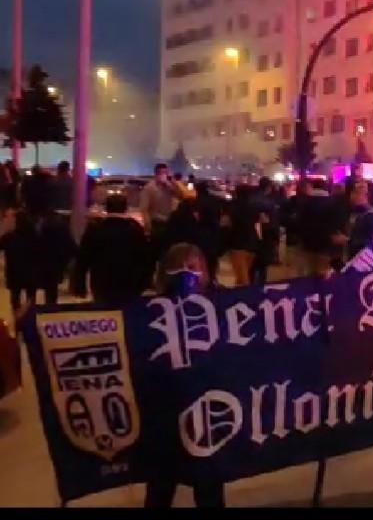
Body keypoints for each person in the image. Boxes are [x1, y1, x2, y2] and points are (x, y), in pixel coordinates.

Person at [143, 242, 226, 508]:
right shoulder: (149, 310)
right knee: (161, 482)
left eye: (192, 268)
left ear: (205, 270)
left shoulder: (224, 302)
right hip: (167, 409)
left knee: (209, 483)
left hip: (207, 409)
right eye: (177, 269)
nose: (186, 275)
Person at [72, 194, 150, 307]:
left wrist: (80, 285)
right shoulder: (134, 229)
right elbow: (144, 259)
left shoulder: (95, 229)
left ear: (106, 208)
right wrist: (144, 283)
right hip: (129, 283)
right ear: (125, 208)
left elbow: (83, 259)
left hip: (101, 282)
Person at [296, 179, 340, 278]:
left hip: (308, 245)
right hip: (326, 246)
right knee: (324, 275)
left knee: (309, 274)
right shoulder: (333, 203)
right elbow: (336, 224)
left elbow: (300, 223)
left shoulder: (305, 203)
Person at [140, 163, 183, 261]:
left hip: (170, 223)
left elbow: (181, 196)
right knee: (156, 254)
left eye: (166, 173)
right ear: (156, 174)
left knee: (168, 255)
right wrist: (148, 226)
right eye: (162, 173)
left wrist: (171, 183)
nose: (164, 175)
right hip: (157, 224)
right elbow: (144, 209)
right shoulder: (149, 188)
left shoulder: (169, 187)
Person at [0, 211, 40, 317]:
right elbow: (40, 253)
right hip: (30, 273)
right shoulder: (34, 236)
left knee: (15, 299)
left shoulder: (9, 237)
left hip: (14, 273)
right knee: (30, 299)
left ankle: (17, 320)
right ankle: (30, 321)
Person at [223, 184, 261, 287]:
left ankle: (245, 298)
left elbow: (226, 222)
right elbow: (258, 221)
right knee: (243, 275)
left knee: (242, 278)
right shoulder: (254, 206)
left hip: (237, 241)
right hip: (252, 241)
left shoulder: (231, 206)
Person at [250, 177, 281, 284]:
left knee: (253, 265)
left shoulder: (252, 199)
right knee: (263, 265)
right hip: (266, 235)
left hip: (252, 235)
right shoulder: (268, 202)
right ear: (268, 187)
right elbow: (272, 222)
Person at [345, 180, 373, 260]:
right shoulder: (356, 213)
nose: (353, 196)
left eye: (358, 193)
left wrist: (349, 240)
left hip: (365, 262)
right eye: (353, 192)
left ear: (368, 196)